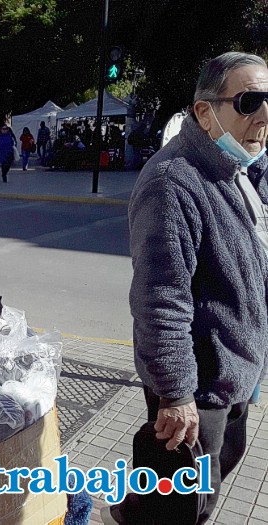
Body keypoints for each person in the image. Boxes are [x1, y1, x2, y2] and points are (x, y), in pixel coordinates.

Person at [101, 51, 268, 525]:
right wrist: (175, 395)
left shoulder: (236, 172)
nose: (264, 116)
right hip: (200, 381)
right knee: (189, 500)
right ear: (204, 111)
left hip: (235, 369)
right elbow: (159, 300)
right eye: (250, 101)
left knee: (207, 473)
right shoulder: (173, 183)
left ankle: (134, 510)